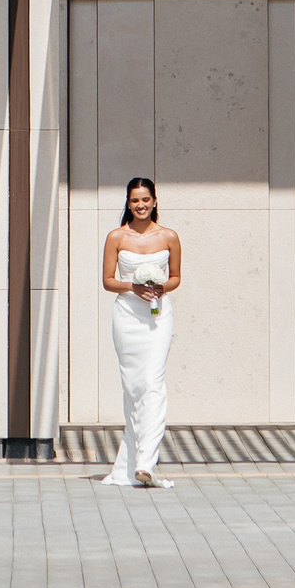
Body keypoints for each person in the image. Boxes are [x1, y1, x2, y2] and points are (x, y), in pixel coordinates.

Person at [100, 177, 182, 489]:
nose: (141, 205)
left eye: (146, 199)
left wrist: (161, 286)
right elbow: (108, 280)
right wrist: (133, 286)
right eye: (135, 200)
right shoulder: (116, 237)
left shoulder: (169, 236)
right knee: (133, 388)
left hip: (158, 317)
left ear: (155, 201)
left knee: (153, 383)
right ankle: (129, 466)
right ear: (128, 203)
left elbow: (175, 277)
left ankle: (146, 462)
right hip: (127, 317)